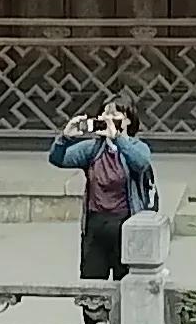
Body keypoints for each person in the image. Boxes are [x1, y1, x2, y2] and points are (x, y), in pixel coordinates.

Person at [52, 106, 158, 281]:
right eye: (104, 114)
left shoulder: (136, 146)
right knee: (92, 288)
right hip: (96, 224)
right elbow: (58, 159)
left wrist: (117, 138)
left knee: (126, 285)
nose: (107, 118)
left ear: (127, 120)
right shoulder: (93, 148)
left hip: (125, 224)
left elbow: (141, 163)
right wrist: (65, 137)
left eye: (114, 114)